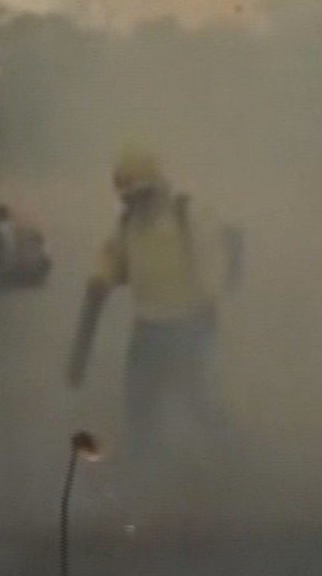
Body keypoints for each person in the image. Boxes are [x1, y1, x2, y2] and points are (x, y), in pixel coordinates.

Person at [66, 144, 242, 459]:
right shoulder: (129, 224)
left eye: (139, 194)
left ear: (157, 188)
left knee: (196, 403)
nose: (133, 202)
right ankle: (142, 474)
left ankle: (237, 456)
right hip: (148, 328)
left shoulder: (187, 215)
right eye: (128, 197)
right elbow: (113, 262)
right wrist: (101, 278)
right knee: (139, 407)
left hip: (187, 325)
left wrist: (203, 316)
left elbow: (212, 268)